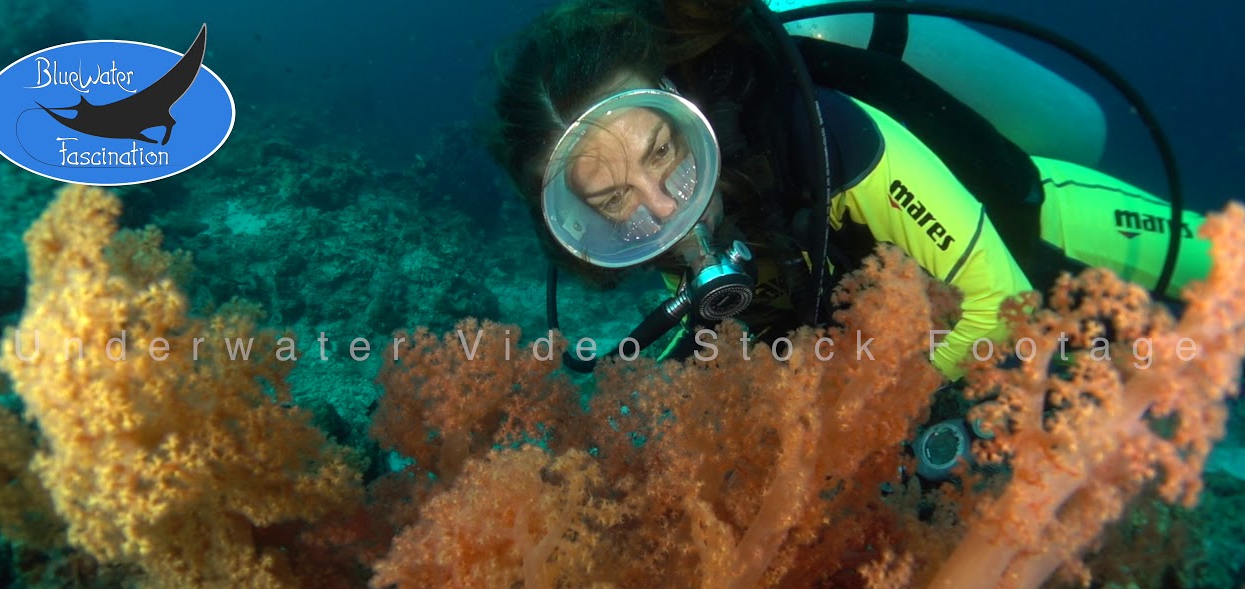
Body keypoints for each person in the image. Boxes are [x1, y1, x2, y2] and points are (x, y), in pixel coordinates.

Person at [485, 0, 1213, 381]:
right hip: (960, 329)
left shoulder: (824, 134)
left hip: (1042, 225)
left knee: (1223, 267)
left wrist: (872, 415)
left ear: (686, 110)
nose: (664, 209)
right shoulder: (683, 262)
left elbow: (1004, 304)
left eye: (663, 151)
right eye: (614, 201)